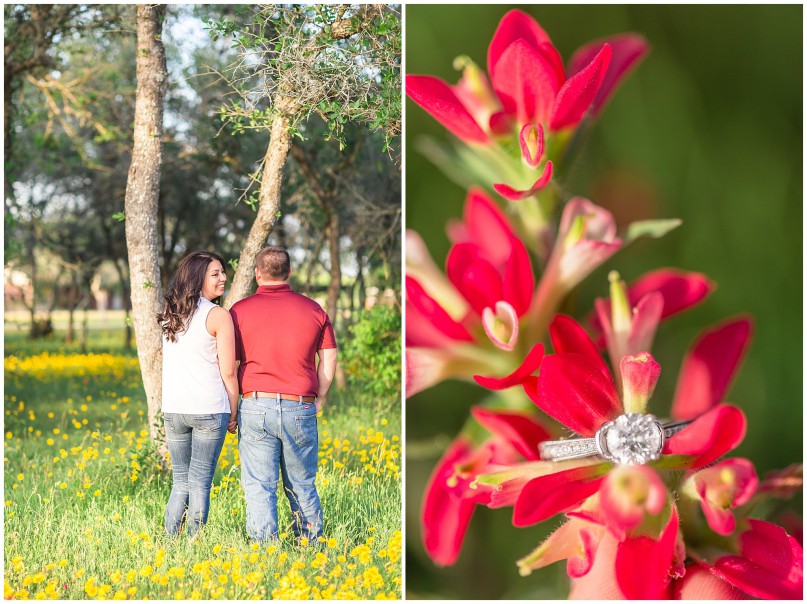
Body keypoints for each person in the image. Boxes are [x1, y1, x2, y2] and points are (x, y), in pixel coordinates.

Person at [230, 246, 338, 543]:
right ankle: (310, 545)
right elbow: (328, 359)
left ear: (257, 274)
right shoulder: (313, 310)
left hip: (255, 404)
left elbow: (228, 365)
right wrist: (320, 397)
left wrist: (232, 409)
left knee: (259, 485)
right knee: (302, 483)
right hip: (299, 406)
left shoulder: (239, 311)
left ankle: (265, 551)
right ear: (289, 272)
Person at [157, 251, 239, 537]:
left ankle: (170, 541)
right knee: (200, 482)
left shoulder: (171, 315)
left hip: (174, 409)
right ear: (198, 278)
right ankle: (194, 543)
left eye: (223, 272)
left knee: (181, 482)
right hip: (208, 409)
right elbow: (229, 372)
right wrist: (234, 410)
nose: (223, 278)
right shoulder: (218, 315)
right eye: (215, 274)